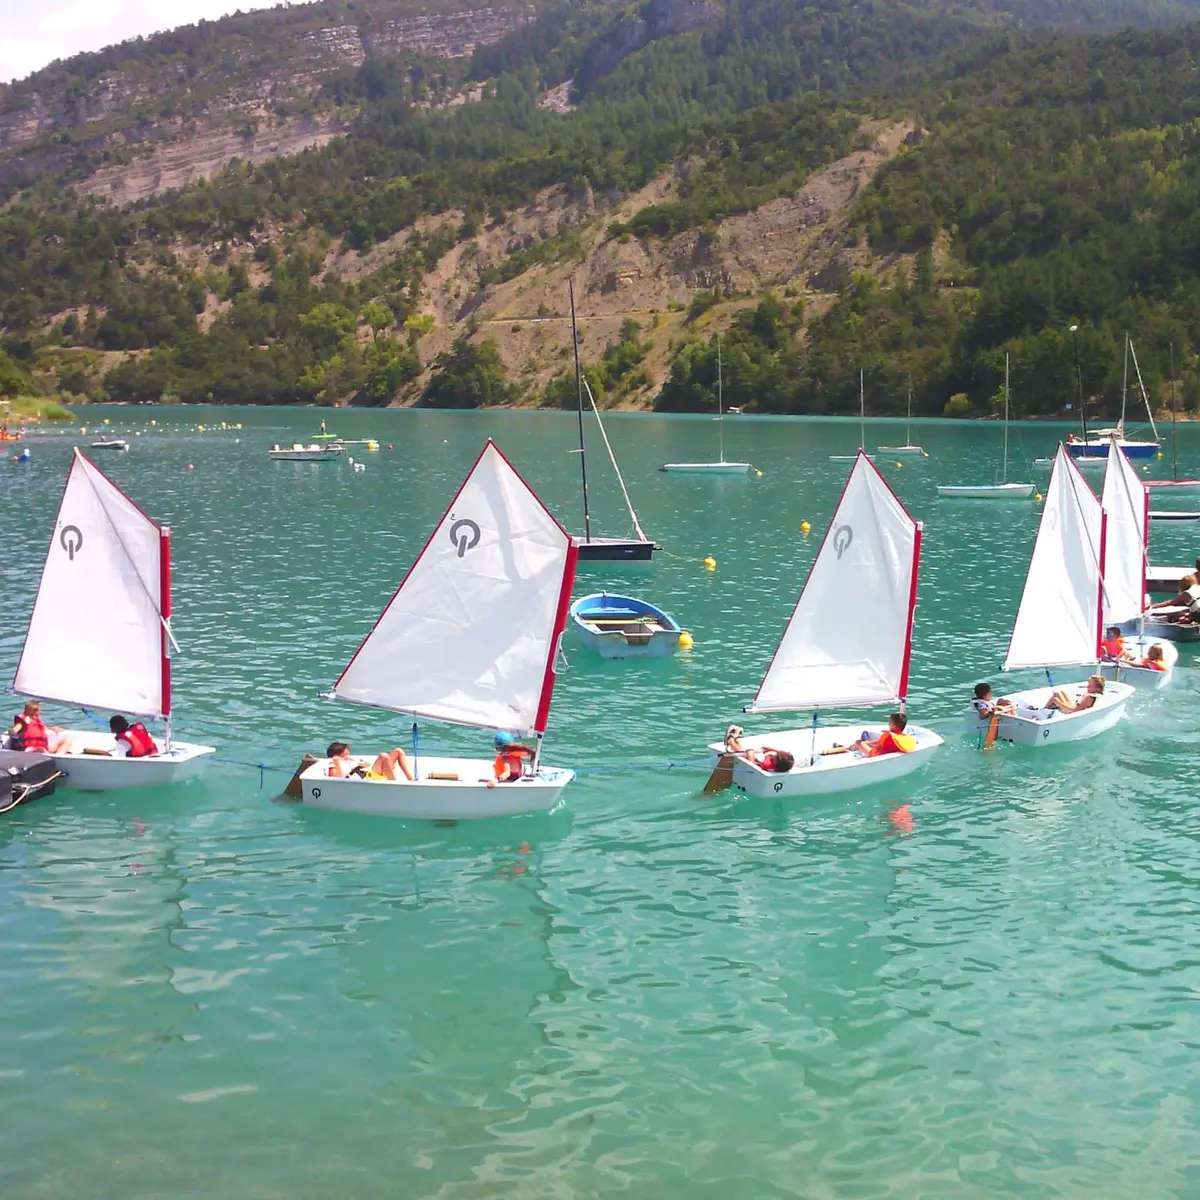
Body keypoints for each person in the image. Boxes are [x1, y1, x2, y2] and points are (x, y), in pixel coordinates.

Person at [326, 740, 413, 781]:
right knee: (383, 756)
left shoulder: (349, 760)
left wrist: (358, 763)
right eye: (346, 754)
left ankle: (411, 780)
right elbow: (340, 780)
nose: (348, 756)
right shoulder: (333, 766)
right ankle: (394, 783)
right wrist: (337, 763)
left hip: (372, 773)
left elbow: (368, 764)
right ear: (337, 755)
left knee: (398, 751)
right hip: (368, 778)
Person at [723, 725, 794, 772]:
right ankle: (737, 741)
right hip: (757, 758)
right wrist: (778, 751)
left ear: (775, 762)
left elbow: (753, 765)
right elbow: (765, 747)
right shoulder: (780, 765)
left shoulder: (769, 766)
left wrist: (751, 754)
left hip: (753, 764)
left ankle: (730, 741)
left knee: (746, 753)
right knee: (752, 751)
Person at [850, 712, 916, 757]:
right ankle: (863, 743)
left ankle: (851, 748)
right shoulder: (903, 736)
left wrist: (865, 743)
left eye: (890, 722)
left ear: (894, 725)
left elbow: (877, 747)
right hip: (886, 751)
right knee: (868, 741)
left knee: (858, 742)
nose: (888, 723)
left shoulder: (887, 734)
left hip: (873, 754)